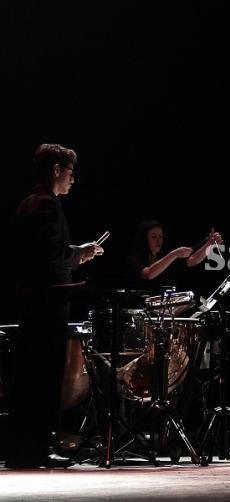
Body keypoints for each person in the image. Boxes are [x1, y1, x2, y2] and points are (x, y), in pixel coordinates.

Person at [5, 144, 104, 469]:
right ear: (57, 170)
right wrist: (77, 255)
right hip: (45, 304)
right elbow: (48, 255)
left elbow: (44, 251)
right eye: (70, 173)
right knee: (43, 377)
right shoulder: (46, 205)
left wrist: (77, 252)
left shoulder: (30, 203)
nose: (73, 180)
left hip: (34, 302)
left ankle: (26, 447)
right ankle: (36, 447)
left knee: (32, 377)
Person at [126, 220, 223, 290]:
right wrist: (175, 253)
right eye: (154, 237)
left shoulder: (164, 253)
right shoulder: (134, 257)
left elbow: (192, 260)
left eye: (160, 236)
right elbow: (149, 274)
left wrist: (209, 245)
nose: (158, 240)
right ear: (144, 239)